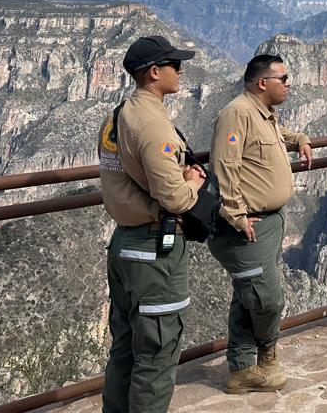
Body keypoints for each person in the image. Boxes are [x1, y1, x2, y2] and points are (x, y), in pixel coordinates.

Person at [97, 35, 207, 413]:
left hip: (124, 244)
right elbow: (175, 198)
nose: (181, 70)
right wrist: (193, 183)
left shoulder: (116, 116)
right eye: (175, 64)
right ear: (154, 72)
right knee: (157, 354)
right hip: (153, 251)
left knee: (125, 348)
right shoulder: (153, 124)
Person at [207, 53, 313, 393]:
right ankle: (266, 355)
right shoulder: (237, 113)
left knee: (247, 295)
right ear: (262, 83)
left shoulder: (262, 113)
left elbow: (275, 136)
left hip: (268, 223)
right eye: (284, 78)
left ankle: (242, 369)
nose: (289, 83)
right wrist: (236, 215)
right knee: (267, 300)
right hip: (247, 227)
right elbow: (224, 165)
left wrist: (300, 140)